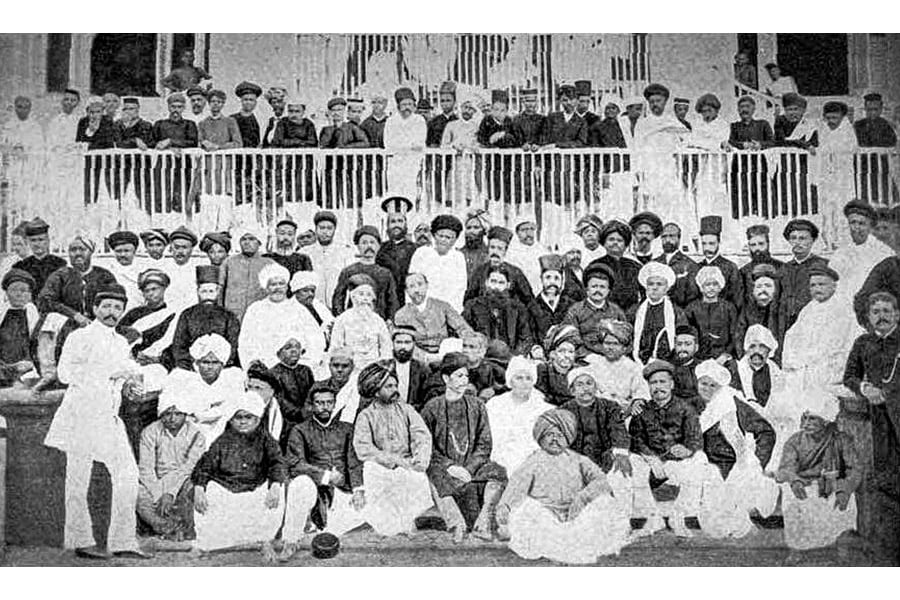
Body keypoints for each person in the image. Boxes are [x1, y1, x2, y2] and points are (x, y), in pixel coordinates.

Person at [43, 284, 150, 559]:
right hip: (82, 414)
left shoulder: (120, 342)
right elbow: (66, 374)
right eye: (107, 306)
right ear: (94, 309)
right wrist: (111, 372)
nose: (112, 312)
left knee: (127, 474)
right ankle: (80, 539)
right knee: (79, 478)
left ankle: (123, 540)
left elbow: (124, 378)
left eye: (117, 307)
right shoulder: (79, 336)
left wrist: (129, 386)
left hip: (109, 416)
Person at [495, 408, 631, 563]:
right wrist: (505, 508)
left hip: (577, 516)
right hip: (547, 518)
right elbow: (516, 488)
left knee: (606, 503)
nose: (555, 439)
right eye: (550, 435)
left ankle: (573, 544)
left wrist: (582, 498)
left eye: (560, 435)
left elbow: (601, 481)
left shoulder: (579, 460)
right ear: (541, 437)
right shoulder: (533, 462)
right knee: (527, 511)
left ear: (568, 437)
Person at [421, 352, 508, 541]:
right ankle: (456, 524)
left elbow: (484, 445)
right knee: (435, 476)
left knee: (499, 472)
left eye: (466, 376)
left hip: (473, 466)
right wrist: (450, 467)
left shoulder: (477, 405)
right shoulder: (432, 408)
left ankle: (484, 520)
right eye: (459, 376)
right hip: (444, 466)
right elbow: (426, 448)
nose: (464, 381)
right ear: (446, 378)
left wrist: (468, 469)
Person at [191, 391, 289, 556]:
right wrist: (199, 487)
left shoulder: (266, 439)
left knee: (277, 492)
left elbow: (277, 462)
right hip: (227, 489)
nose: (243, 421)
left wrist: (274, 485)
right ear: (231, 419)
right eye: (239, 417)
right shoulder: (223, 440)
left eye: (248, 417)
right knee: (209, 493)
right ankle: (206, 544)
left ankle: (265, 541)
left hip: (256, 489)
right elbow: (205, 465)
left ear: (257, 419)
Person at [843, 291, 900, 565]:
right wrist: (864, 388)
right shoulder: (863, 342)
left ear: (897, 314)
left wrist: (888, 392)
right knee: (885, 481)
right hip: (879, 422)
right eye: (875, 311)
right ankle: (887, 550)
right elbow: (849, 375)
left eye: (887, 310)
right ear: (868, 317)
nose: (881, 316)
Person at [691, 359, 778, 538]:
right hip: (706, 464)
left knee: (734, 506)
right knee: (713, 523)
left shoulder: (731, 404)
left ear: (720, 387)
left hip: (734, 463)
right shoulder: (692, 405)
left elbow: (766, 432)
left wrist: (758, 462)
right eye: (703, 384)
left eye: (712, 385)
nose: (707, 389)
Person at [775, 392, 860, 563]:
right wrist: (794, 480)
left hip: (831, 485)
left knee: (847, 500)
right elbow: (785, 467)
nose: (806, 423)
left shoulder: (841, 439)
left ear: (825, 420)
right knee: (791, 498)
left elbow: (855, 469)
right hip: (802, 485)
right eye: (805, 418)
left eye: (812, 419)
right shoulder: (795, 440)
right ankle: (796, 549)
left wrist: (844, 489)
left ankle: (840, 546)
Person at [628, 359, 710, 537]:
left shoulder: (686, 409)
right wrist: (651, 459)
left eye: (662, 382)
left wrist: (687, 450)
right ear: (648, 387)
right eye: (653, 383)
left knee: (700, 460)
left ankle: (678, 517)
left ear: (672, 384)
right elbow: (635, 440)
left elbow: (696, 439)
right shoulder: (642, 410)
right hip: (651, 465)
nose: (658, 387)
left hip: (676, 464)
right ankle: (652, 518)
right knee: (632, 463)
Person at [352, 359, 434, 535]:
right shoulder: (365, 416)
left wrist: (419, 458)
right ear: (375, 391)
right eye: (389, 386)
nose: (395, 390)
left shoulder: (406, 409)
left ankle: (408, 520)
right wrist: (391, 460)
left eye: (395, 385)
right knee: (371, 469)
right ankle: (390, 524)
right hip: (380, 467)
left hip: (407, 463)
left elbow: (421, 435)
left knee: (414, 478)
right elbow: (363, 447)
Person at [781, 265, 863, 439]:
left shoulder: (843, 310)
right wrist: (796, 363)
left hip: (831, 372)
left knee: (820, 407)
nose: (817, 289)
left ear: (834, 285)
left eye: (822, 284)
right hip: (807, 370)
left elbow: (844, 347)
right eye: (813, 285)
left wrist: (821, 367)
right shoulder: (809, 309)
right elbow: (791, 338)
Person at [281, 383, 362, 556]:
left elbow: (354, 462)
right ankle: (291, 540)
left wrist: (358, 490)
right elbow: (295, 464)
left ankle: (317, 525)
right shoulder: (300, 430)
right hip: (315, 489)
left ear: (334, 404)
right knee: (300, 483)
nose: (325, 407)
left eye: (329, 403)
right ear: (311, 405)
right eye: (319, 403)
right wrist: (326, 476)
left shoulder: (346, 429)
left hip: (343, 490)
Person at [137, 387, 206, 541]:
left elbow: (189, 468)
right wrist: (158, 494)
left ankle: (185, 529)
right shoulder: (150, 432)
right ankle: (165, 526)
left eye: (178, 414)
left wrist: (170, 493)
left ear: (185, 414)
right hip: (155, 481)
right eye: (167, 414)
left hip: (182, 480)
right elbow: (146, 469)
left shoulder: (196, 434)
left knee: (193, 487)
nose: (172, 418)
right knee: (137, 491)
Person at [238, 263, 319, 369]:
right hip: (264, 367)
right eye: (273, 284)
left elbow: (315, 340)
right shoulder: (255, 309)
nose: (277, 288)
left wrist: (305, 364)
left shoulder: (298, 310)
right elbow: (245, 342)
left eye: (281, 284)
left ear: (286, 287)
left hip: (294, 368)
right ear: (266, 288)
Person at [486, 357, 553, 475]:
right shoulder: (495, 405)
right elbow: (491, 438)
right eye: (519, 378)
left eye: (528, 378)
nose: (524, 382)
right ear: (511, 381)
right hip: (499, 462)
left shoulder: (545, 410)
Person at [393, 272, 473, 365]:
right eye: (411, 286)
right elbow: (404, 342)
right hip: (418, 359)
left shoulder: (442, 306)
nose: (417, 290)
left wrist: (469, 344)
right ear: (406, 291)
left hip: (445, 354)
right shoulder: (401, 315)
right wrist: (426, 357)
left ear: (427, 286)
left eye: (420, 284)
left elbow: (462, 327)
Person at [169, 266, 241, 370]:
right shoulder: (187, 315)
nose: (207, 296)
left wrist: (219, 365)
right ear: (198, 292)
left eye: (211, 291)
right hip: (191, 367)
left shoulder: (229, 316)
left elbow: (233, 346)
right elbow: (179, 346)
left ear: (218, 292)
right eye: (204, 291)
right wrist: (192, 366)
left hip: (222, 367)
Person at [38, 233, 117, 326]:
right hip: (68, 325)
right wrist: (74, 315)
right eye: (73, 250)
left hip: (98, 325)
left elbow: (115, 301)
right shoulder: (60, 275)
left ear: (91, 252)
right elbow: (45, 301)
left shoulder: (104, 276)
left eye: (82, 249)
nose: (77, 253)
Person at [462, 265, 535, 357]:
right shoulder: (473, 306)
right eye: (493, 281)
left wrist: (514, 357)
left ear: (508, 285)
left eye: (501, 283)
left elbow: (526, 338)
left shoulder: (518, 309)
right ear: (486, 283)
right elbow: (465, 334)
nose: (496, 287)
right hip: (480, 358)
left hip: (510, 358)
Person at [583, 320, 650, 418]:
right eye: (607, 343)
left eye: (615, 344)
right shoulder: (593, 362)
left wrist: (638, 401)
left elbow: (641, 391)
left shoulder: (633, 368)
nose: (610, 347)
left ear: (624, 348)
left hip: (623, 414)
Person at [829, 200, 893, 303]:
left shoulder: (883, 252)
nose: (856, 228)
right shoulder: (841, 253)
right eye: (853, 222)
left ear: (870, 226)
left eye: (862, 223)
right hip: (841, 303)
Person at [817, 102, 860, 250]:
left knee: (843, 207)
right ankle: (828, 239)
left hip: (843, 177)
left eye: (835, 117)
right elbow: (819, 146)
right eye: (828, 117)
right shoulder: (823, 128)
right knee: (827, 208)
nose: (831, 121)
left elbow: (853, 148)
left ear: (842, 117)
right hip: (827, 176)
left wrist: (833, 150)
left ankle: (844, 241)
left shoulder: (847, 129)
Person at [117, 268, 178, 373]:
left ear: (163, 289)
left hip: (158, 366)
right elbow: (118, 337)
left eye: (154, 289)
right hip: (131, 363)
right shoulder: (134, 314)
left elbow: (175, 346)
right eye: (146, 291)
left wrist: (157, 359)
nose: (150, 293)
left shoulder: (172, 316)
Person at [332, 226, 399, 320]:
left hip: (378, 323)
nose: (369, 246)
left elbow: (392, 302)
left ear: (378, 246)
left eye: (372, 242)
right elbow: (338, 299)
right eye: (364, 243)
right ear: (358, 246)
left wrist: (390, 321)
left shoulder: (385, 273)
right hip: (353, 323)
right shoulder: (348, 271)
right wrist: (342, 319)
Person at [562, 262, 626, 356]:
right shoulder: (576, 310)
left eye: (602, 287)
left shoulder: (616, 311)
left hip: (613, 358)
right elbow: (571, 339)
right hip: (585, 359)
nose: (598, 291)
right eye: (594, 286)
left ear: (608, 291)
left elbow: (626, 338)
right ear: (587, 289)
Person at [629, 262, 686, 365]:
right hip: (637, 361)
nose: (654, 288)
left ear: (666, 288)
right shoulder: (635, 310)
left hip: (667, 362)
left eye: (659, 284)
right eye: (651, 284)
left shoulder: (676, 312)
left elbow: (682, 338)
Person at [330, 274, 392, 369]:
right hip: (350, 367)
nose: (365, 299)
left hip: (374, 367)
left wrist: (382, 365)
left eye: (368, 295)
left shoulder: (378, 320)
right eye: (361, 294)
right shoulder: (343, 319)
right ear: (353, 297)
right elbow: (336, 346)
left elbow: (386, 346)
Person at [779, 219, 830, 332]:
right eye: (793, 238)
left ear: (813, 240)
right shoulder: (783, 269)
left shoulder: (824, 266)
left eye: (802, 238)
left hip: (815, 323)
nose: (797, 242)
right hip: (786, 325)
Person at [408, 215, 468, 312]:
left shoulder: (458, 258)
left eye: (448, 237)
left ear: (455, 239)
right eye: (440, 236)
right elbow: (411, 283)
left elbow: (459, 290)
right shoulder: (421, 253)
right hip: (421, 309)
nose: (443, 240)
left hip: (448, 310)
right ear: (434, 235)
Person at [465, 225, 534, 308]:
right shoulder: (479, 272)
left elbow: (529, 301)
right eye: (492, 247)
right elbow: (468, 301)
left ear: (505, 251)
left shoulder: (516, 273)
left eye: (499, 248)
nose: (495, 252)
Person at [684, 265, 739, 364]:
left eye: (715, 284)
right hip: (698, 356)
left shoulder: (729, 308)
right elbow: (689, 335)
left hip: (723, 357)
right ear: (701, 287)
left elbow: (734, 335)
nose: (711, 288)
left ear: (720, 287)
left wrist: (725, 355)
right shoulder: (692, 308)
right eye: (707, 285)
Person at [220, 228, 274, 322]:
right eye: (243, 239)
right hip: (232, 316)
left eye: (251, 239)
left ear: (259, 242)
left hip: (260, 316)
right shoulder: (229, 262)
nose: (247, 242)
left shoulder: (269, 264)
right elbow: (220, 289)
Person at [383, 87, 427, 200]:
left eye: (410, 104)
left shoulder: (419, 120)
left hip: (412, 162)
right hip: (395, 163)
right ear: (398, 106)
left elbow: (420, 144)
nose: (407, 107)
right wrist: (408, 146)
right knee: (394, 192)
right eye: (404, 104)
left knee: (411, 192)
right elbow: (389, 144)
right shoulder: (391, 121)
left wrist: (403, 145)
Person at [306, 211, 354, 311]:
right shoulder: (306, 252)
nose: (325, 232)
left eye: (329, 228)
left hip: (338, 307)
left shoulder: (345, 252)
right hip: (313, 307)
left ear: (334, 230)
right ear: (315, 229)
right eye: (321, 228)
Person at [375, 196, 418, 306]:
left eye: (400, 221)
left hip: (409, 300)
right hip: (386, 301)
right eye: (393, 221)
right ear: (387, 225)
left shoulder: (416, 249)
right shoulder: (380, 249)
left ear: (406, 224)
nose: (396, 225)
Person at [736, 264, 784, 359]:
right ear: (753, 290)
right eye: (759, 286)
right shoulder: (746, 310)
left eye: (768, 286)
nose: (763, 290)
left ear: (775, 289)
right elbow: (739, 338)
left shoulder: (782, 310)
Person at [527, 255, 576, 347]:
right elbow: (529, 336)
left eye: (556, 278)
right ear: (541, 279)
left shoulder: (571, 305)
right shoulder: (532, 306)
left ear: (562, 281)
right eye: (548, 277)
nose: (552, 282)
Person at [0, 269, 39, 387]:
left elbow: (38, 345)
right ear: (6, 293)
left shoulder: (32, 314)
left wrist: (30, 363)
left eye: (23, 290)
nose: (19, 294)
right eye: (14, 290)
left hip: (27, 370)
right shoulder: (2, 312)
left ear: (30, 294)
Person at [732, 324, 783, 409]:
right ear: (746, 350)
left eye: (762, 346)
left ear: (769, 350)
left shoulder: (775, 372)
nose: (756, 351)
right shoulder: (735, 371)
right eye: (752, 346)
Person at [697, 215, 742, 310]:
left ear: (719, 242)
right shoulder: (696, 267)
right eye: (704, 244)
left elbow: (737, 299)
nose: (707, 248)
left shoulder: (730, 267)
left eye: (711, 244)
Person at [13, 218, 66, 296]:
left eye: (41, 240)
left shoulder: (60, 264)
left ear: (48, 241)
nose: (37, 244)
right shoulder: (20, 267)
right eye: (33, 240)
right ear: (28, 242)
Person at [655, 222, 699, 309]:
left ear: (679, 238)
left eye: (671, 236)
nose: (667, 240)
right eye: (664, 236)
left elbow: (693, 297)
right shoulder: (654, 264)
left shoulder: (690, 265)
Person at [535, 325, 581, 406]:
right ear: (552, 354)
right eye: (562, 351)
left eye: (570, 352)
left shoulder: (579, 371)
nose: (567, 355)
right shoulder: (543, 369)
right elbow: (541, 397)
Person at [289, 270, 335, 353]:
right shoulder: (290, 310)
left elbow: (331, 322)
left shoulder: (318, 305)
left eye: (312, 291)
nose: (310, 294)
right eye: (305, 291)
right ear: (296, 292)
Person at [738, 225, 784, 308]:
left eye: (761, 244)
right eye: (753, 245)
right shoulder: (743, 272)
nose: (757, 248)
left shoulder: (782, 268)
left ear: (768, 244)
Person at [163, 226, 199, 312]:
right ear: (171, 248)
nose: (180, 252)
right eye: (177, 247)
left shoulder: (197, 270)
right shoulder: (163, 268)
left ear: (191, 249)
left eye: (184, 247)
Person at [105, 230, 145, 309]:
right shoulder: (108, 271)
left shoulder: (143, 271)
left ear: (134, 251)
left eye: (127, 251)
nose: (123, 254)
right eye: (118, 251)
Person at [671, 325, 701, 399]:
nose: (682, 348)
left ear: (696, 347)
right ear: (675, 346)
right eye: (679, 344)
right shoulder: (668, 368)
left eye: (688, 344)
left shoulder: (704, 367)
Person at [459, 209, 490, 278]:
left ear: (484, 231)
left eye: (476, 228)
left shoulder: (489, 254)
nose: (471, 231)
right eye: (468, 228)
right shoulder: (459, 254)